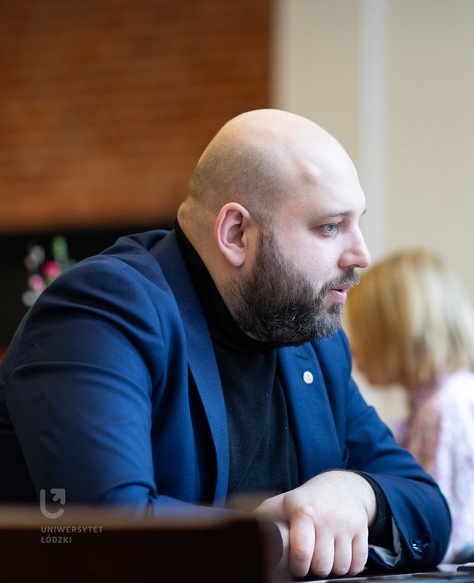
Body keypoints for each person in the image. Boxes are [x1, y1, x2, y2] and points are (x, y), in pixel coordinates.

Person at [0, 109, 451, 578]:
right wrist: (278, 536)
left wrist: (355, 494)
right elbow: (105, 531)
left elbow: (429, 510)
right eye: (329, 227)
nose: (362, 254)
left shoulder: (308, 338)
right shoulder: (101, 312)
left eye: (356, 223)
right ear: (236, 233)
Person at [343, 248, 474, 563]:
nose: (351, 347)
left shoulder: (449, 411)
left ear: (396, 332)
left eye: (360, 330)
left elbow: (441, 544)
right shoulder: (467, 399)